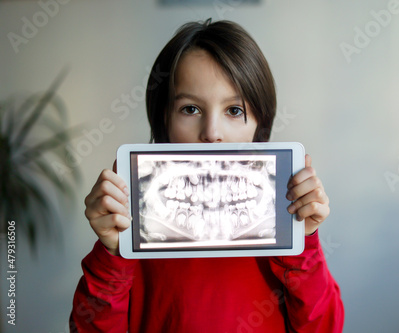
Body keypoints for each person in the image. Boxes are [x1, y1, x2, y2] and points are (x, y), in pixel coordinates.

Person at [70, 19, 344, 332]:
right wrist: (112, 253)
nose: (212, 133)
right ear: (165, 118)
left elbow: (324, 327)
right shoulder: (132, 213)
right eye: (190, 109)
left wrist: (303, 242)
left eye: (234, 110)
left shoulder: (283, 210)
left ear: (260, 123)